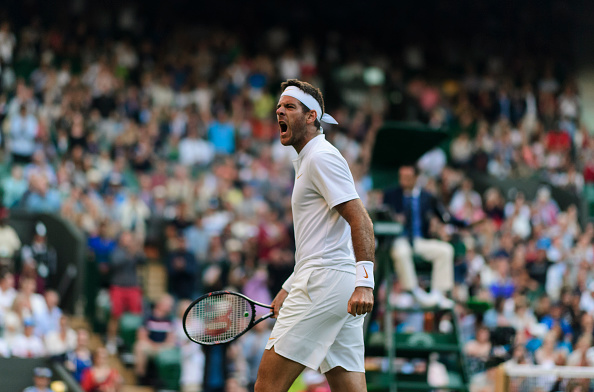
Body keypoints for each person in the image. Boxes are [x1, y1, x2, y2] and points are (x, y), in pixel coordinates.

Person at [255, 79, 375, 392]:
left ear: (311, 117)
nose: (279, 111)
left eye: (289, 107)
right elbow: (320, 238)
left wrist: (365, 282)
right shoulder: (311, 157)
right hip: (334, 283)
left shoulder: (321, 156)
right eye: (279, 107)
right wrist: (289, 286)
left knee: (267, 387)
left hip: (325, 282)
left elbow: (360, 220)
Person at [383, 165, 467, 308]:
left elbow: (444, 216)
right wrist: (394, 219)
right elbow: (383, 216)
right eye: (401, 178)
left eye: (407, 178)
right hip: (400, 239)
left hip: (419, 240)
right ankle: (414, 291)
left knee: (445, 250)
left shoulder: (427, 197)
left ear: (416, 178)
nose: (404, 181)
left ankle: (438, 293)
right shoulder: (391, 195)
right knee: (401, 252)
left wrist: (466, 224)